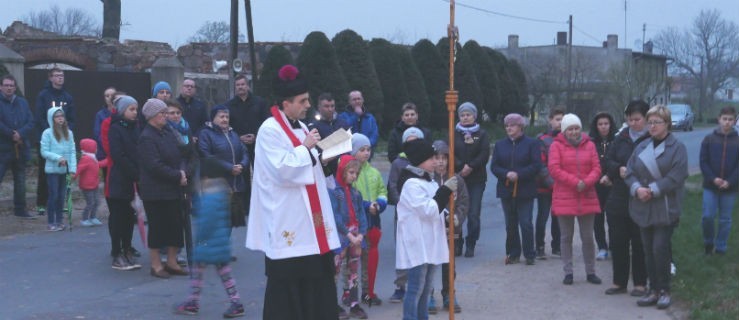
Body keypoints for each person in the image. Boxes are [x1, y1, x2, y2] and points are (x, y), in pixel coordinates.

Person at [245, 64, 341, 320]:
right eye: (303, 100)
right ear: (286, 103)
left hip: (312, 219)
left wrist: (327, 155)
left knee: (318, 284)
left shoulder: (301, 126)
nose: (308, 105)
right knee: (288, 290)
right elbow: (282, 170)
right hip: (288, 216)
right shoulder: (269, 130)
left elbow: (312, 166)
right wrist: (308, 149)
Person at [626, 105, 688, 309]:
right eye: (650, 122)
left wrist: (651, 190)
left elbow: (676, 177)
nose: (652, 126)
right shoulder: (642, 147)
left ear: (667, 124)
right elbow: (630, 171)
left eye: (656, 122)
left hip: (665, 206)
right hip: (643, 206)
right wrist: (636, 189)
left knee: (659, 248)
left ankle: (664, 290)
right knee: (647, 250)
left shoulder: (677, 147)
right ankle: (652, 290)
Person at [174, 157, 245, 318]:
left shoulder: (209, 195)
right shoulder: (221, 190)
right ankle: (236, 302)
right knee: (225, 274)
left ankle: (193, 302)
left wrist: (200, 240)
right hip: (219, 243)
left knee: (198, 274)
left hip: (208, 243)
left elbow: (207, 220)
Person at [396, 139, 455, 320]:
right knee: (415, 288)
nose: (436, 162)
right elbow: (428, 209)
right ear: (419, 160)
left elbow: (437, 207)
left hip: (430, 241)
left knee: (426, 287)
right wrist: (445, 191)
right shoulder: (411, 184)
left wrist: (448, 215)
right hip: (418, 242)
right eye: (431, 158)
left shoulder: (429, 181)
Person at [548, 113, 602, 285]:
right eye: (570, 129)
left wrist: (585, 182)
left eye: (576, 128)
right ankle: (568, 272)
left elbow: (597, 168)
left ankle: (590, 271)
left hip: (586, 194)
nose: (573, 132)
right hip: (565, 195)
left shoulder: (590, 145)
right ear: (564, 130)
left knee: (587, 237)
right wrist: (574, 182)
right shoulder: (556, 146)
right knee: (566, 237)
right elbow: (554, 168)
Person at [137, 98, 189, 279]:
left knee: (175, 226)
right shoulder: (146, 137)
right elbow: (154, 166)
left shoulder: (168, 132)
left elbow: (181, 153)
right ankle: (156, 264)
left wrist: (182, 171)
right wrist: (177, 176)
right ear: (152, 116)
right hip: (155, 191)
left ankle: (172, 262)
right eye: (163, 113)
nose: (166, 116)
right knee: (158, 228)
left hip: (173, 188)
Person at [603, 100, 649, 296]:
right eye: (629, 119)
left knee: (639, 242)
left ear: (646, 119)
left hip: (641, 196)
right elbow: (607, 160)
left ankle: (640, 283)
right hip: (619, 195)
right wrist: (617, 169)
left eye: (637, 119)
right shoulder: (620, 138)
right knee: (618, 240)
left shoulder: (651, 138)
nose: (633, 123)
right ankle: (619, 282)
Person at [490, 113, 542, 265]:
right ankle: (513, 253)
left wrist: (519, 174)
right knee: (510, 224)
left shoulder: (532, 144)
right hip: (506, 189)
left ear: (520, 127)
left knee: (525, 223)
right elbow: (494, 166)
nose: (508, 128)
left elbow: (536, 165)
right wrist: (506, 174)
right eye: (506, 126)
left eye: (512, 125)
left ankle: (529, 254)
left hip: (525, 189)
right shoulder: (500, 145)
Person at [427, 139, 468, 314]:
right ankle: (428, 294)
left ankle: (449, 294)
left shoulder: (457, 179)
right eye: (436, 157)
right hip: (431, 230)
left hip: (451, 230)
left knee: (449, 263)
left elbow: (464, 202)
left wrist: (456, 218)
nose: (441, 161)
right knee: (429, 263)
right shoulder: (426, 179)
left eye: (444, 157)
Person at [350, 133, 388, 306]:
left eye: (368, 149)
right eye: (362, 150)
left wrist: (380, 203)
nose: (366, 153)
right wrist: (366, 206)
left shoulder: (374, 172)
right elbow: (350, 196)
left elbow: (382, 190)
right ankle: (350, 295)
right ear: (353, 151)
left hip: (373, 221)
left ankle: (368, 292)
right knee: (352, 261)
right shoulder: (350, 172)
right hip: (356, 223)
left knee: (370, 258)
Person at [388, 126, 425, 303]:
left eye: (416, 142)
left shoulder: (424, 161)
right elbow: (393, 185)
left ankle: (421, 286)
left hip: (420, 211)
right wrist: (401, 204)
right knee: (403, 248)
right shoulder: (398, 163)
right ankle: (400, 285)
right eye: (409, 142)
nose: (412, 145)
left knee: (421, 246)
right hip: (403, 212)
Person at [330, 155, 369, 319]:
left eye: (356, 173)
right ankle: (332, 305)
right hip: (341, 238)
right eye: (351, 172)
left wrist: (361, 234)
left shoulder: (356, 193)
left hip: (356, 237)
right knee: (336, 271)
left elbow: (362, 214)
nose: (354, 176)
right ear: (342, 171)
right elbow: (335, 217)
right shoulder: (334, 191)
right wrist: (348, 235)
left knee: (353, 270)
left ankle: (353, 303)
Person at [106, 95, 142, 271]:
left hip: (133, 180)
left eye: (136, 109)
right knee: (118, 218)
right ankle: (116, 252)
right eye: (131, 109)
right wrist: (135, 173)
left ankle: (128, 248)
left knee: (129, 218)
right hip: (120, 179)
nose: (135, 112)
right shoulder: (115, 129)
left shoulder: (136, 127)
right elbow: (118, 155)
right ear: (122, 110)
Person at [198, 105, 250, 227]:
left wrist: (242, 165)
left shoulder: (234, 134)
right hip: (217, 185)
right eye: (221, 116)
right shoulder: (205, 134)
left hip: (235, 185)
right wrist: (229, 168)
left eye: (227, 116)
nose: (225, 119)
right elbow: (206, 156)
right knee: (217, 225)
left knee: (229, 225)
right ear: (213, 118)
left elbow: (244, 152)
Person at [35, 67, 76, 216]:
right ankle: (41, 203)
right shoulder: (43, 95)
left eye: (62, 75)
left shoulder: (67, 97)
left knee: (61, 172)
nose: (60, 78)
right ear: (50, 78)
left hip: (63, 140)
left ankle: (59, 203)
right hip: (48, 139)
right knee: (45, 172)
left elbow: (71, 118)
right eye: (57, 75)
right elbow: (39, 117)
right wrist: (51, 132)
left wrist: (65, 132)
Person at [700, 106, 738, 255]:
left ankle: (721, 246)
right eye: (724, 119)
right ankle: (708, 243)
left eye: (730, 119)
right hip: (711, 185)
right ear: (719, 119)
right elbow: (703, 161)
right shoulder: (709, 139)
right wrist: (713, 178)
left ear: (734, 121)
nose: (727, 122)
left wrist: (730, 181)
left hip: (731, 187)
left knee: (725, 219)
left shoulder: (738, 140)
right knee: (708, 216)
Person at [453, 102, 490, 257]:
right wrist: (460, 167)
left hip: (476, 178)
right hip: (458, 178)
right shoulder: (453, 133)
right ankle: (457, 241)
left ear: (474, 116)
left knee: (473, 213)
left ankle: (471, 242)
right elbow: (450, 152)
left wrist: (471, 166)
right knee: (457, 212)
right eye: (462, 115)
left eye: (468, 114)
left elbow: (484, 153)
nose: (465, 117)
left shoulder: (481, 134)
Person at [0, 75, 35, 219]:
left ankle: (20, 210)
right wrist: (10, 133)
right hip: (2, 149)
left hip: (20, 148)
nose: (9, 88)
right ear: (1, 87)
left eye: (11, 85)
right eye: (6, 85)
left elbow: (31, 121)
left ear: (15, 87)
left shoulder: (23, 103)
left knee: (20, 180)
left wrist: (20, 133)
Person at [40, 106, 76, 231]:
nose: (60, 118)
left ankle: (59, 220)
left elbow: (72, 151)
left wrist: (72, 170)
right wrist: (58, 158)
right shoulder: (47, 133)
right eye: (57, 116)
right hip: (52, 171)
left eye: (62, 116)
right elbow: (44, 151)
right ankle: (51, 222)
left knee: (61, 196)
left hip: (64, 170)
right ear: (52, 118)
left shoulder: (69, 133)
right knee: (53, 195)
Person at [535, 108, 564, 258]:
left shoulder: (568, 138)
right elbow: (541, 165)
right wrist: (553, 183)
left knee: (558, 217)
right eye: (557, 119)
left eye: (562, 119)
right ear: (550, 120)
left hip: (563, 186)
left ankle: (557, 246)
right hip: (545, 187)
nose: (560, 122)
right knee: (543, 216)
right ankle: (539, 246)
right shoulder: (542, 139)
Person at [589, 112, 617, 260]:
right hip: (596, 185)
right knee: (597, 218)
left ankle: (613, 245)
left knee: (613, 217)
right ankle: (602, 247)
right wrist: (599, 178)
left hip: (613, 184)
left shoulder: (617, 141)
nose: (603, 127)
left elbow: (619, 161)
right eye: (600, 124)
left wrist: (610, 177)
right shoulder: (591, 143)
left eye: (606, 123)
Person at [225, 74, 270, 165]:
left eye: (243, 84)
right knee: (242, 174)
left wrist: (256, 136)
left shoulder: (260, 102)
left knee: (260, 172)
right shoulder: (228, 106)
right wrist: (238, 137)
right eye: (238, 85)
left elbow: (266, 122)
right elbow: (227, 125)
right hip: (238, 145)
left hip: (258, 144)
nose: (240, 87)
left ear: (248, 86)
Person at [73, 138, 106, 227]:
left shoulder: (92, 158)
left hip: (94, 184)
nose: (96, 149)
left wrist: (108, 161)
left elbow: (98, 164)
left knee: (97, 202)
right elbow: (79, 169)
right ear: (90, 148)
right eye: (95, 147)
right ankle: (84, 219)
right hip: (86, 186)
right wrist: (73, 176)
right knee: (90, 203)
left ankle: (93, 217)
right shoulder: (86, 158)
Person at [93, 87, 116, 163]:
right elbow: (98, 134)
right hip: (104, 153)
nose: (110, 98)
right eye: (107, 96)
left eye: (112, 95)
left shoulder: (121, 113)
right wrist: (108, 147)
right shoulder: (100, 115)